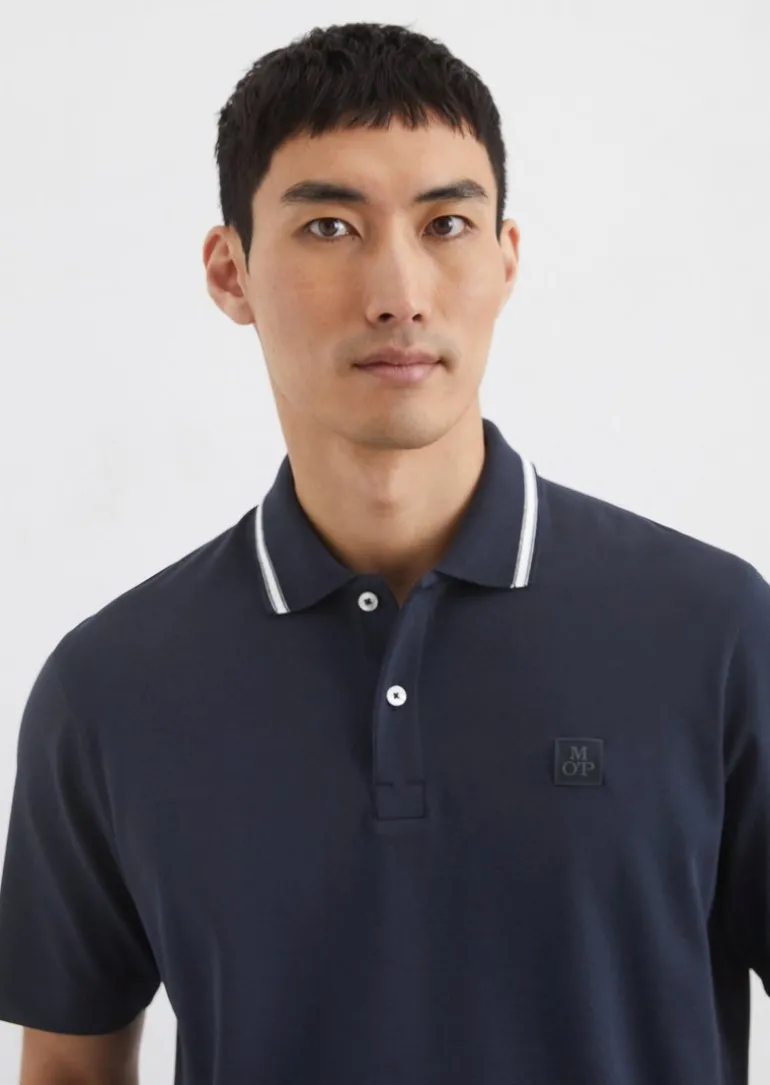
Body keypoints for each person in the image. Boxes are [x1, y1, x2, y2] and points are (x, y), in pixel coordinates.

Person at [0, 19, 768, 1085]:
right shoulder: (108, 688)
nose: (399, 290)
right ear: (229, 271)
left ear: (505, 258)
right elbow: (70, 1066)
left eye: (446, 223)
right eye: (329, 226)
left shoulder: (715, 632)